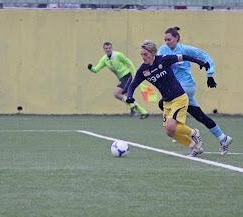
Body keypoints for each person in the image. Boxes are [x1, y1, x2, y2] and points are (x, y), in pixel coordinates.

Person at [126, 40, 210, 157]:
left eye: (145, 54)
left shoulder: (164, 60)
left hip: (179, 97)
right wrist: (129, 96)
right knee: (169, 132)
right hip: (167, 102)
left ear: (153, 53)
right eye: (142, 54)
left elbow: (183, 57)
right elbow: (133, 84)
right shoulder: (143, 70)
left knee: (171, 126)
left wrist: (200, 62)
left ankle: (194, 132)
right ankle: (194, 147)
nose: (143, 57)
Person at [158, 27, 233, 155]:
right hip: (177, 88)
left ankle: (181, 129)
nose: (167, 42)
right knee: (199, 116)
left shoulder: (185, 49)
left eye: (169, 39)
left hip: (186, 86)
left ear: (177, 38)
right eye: (165, 40)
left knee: (163, 103)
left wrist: (210, 74)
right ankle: (223, 138)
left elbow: (205, 56)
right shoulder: (162, 50)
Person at [88, 42, 149, 119]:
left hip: (127, 76)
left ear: (112, 48)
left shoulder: (118, 55)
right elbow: (96, 69)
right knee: (127, 96)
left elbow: (129, 63)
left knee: (117, 93)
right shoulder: (104, 59)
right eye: (106, 48)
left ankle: (133, 106)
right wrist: (91, 68)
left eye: (109, 48)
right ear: (104, 49)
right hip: (122, 78)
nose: (108, 50)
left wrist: (134, 75)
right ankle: (143, 112)